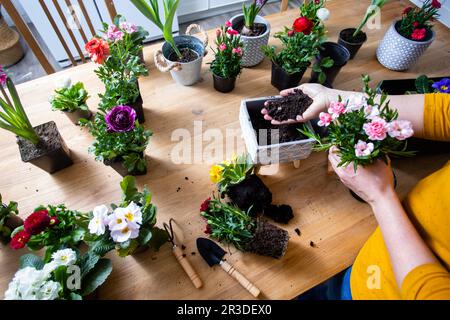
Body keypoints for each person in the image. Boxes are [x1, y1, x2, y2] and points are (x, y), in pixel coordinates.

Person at [262, 84, 450, 300]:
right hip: (377, 250)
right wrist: (335, 98)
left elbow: (430, 292)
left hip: (381, 291)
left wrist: (380, 197)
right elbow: (443, 112)